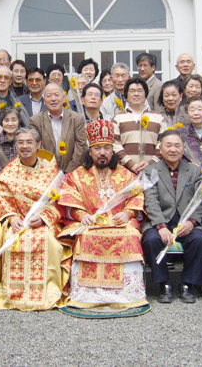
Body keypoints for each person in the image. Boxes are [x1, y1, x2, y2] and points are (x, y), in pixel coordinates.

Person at [0, 128, 72, 310]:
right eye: (20, 143)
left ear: (38, 145)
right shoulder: (8, 172)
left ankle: (50, 293)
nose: (24, 146)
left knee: (52, 243)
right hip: (17, 222)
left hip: (43, 222)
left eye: (29, 142)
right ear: (16, 147)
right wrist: (12, 218)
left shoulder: (50, 168)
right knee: (11, 240)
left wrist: (45, 217)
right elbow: (0, 197)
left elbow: (59, 199)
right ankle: (13, 294)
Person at [57, 120, 147, 309]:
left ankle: (127, 294)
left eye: (106, 147)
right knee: (86, 235)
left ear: (113, 150)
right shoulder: (76, 176)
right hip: (91, 223)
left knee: (131, 235)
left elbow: (137, 196)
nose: (102, 152)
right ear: (90, 151)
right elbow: (68, 199)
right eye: (97, 148)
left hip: (119, 223)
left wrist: (128, 213)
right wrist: (82, 215)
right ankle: (88, 295)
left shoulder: (127, 175)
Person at [142, 130, 202, 303]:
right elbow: (150, 200)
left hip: (186, 221)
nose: (173, 149)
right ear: (161, 148)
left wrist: (192, 222)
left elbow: (201, 199)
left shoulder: (194, 171)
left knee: (199, 240)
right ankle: (164, 283)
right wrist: (161, 226)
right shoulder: (151, 171)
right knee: (150, 240)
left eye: (177, 145)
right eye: (168, 145)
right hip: (161, 220)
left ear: (183, 148)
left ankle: (188, 284)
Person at [28, 83, 88, 173]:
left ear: (63, 98)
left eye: (56, 95)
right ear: (44, 101)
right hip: (46, 172)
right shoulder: (35, 121)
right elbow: (38, 148)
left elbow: (81, 147)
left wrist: (68, 173)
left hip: (73, 172)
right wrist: (51, 172)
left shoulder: (77, 119)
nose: (53, 99)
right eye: (49, 96)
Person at [112, 77, 164, 174]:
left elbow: (163, 143)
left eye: (140, 91)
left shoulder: (158, 118)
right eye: (132, 91)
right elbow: (114, 144)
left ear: (145, 95)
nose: (136, 94)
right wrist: (130, 164)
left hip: (152, 172)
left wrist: (151, 163)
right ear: (126, 96)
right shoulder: (117, 118)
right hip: (125, 173)